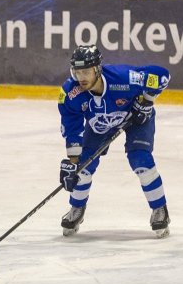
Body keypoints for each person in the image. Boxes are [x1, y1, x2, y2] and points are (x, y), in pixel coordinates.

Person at [57, 46, 171, 238]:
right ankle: (77, 208)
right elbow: (72, 129)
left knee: (141, 161)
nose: (81, 77)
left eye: (86, 71)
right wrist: (73, 164)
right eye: (77, 72)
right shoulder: (71, 94)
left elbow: (162, 75)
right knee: (83, 167)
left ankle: (160, 210)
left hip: (135, 119)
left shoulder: (123, 78)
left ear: (97, 69)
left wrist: (146, 101)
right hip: (99, 125)